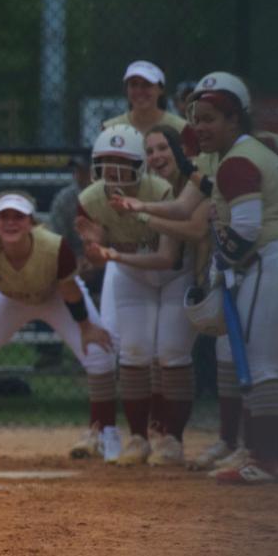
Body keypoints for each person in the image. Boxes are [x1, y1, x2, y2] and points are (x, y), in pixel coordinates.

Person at [113, 72, 278, 483]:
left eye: (210, 118)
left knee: (262, 366)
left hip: (276, 259)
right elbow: (184, 207)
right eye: (196, 117)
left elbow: (244, 230)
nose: (199, 126)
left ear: (235, 120)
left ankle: (263, 460)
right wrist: (139, 205)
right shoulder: (235, 156)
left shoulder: (239, 160)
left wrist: (221, 270)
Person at [0, 192, 114, 464]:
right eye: (3, 217)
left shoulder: (54, 246)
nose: (10, 223)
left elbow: (69, 291)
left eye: (18, 217)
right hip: (9, 298)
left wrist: (86, 327)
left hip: (56, 296)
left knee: (100, 352)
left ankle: (104, 433)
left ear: (31, 222)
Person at [84, 125, 200, 466]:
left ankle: (172, 440)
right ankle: (138, 437)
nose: (157, 156)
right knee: (133, 351)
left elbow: (166, 257)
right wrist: (95, 244)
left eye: (164, 148)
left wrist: (115, 256)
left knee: (172, 351)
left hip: (176, 273)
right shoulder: (123, 188)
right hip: (135, 274)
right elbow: (101, 234)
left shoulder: (190, 185)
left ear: (180, 152)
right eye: (150, 151)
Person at [103, 60, 198, 155]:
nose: (139, 91)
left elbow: (193, 165)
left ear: (161, 89)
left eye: (147, 85)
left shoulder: (181, 128)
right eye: (134, 84)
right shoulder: (110, 129)